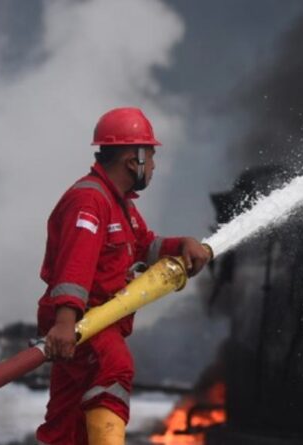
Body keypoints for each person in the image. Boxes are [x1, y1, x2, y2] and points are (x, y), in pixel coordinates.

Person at [34, 107, 211, 445]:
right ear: (134, 160)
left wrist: (181, 244)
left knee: (67, 419)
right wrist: (66, 323)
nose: (154, 165)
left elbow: (143, 246)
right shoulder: (90, 201)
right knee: (114, 368)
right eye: (151, 156)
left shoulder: (121, 206)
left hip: (90, 321)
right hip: (86, 321)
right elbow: (75, 264)